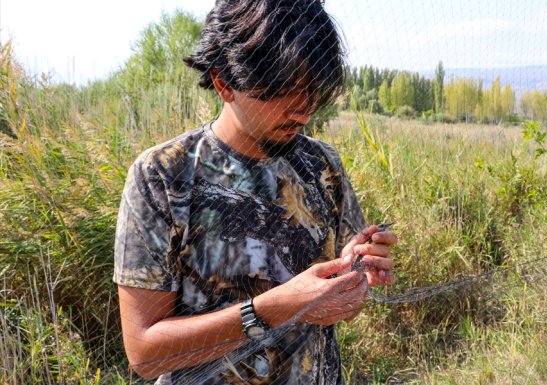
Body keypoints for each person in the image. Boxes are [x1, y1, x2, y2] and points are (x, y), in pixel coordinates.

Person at [113, 0, 398, 384]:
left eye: (313, 89)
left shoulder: (323, 165)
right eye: (282, 90)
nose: (303, 110)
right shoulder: (163, 176)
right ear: (223, 83)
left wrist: (353, 276)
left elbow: (335, 306)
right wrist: (272, 309)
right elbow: (144, 354)